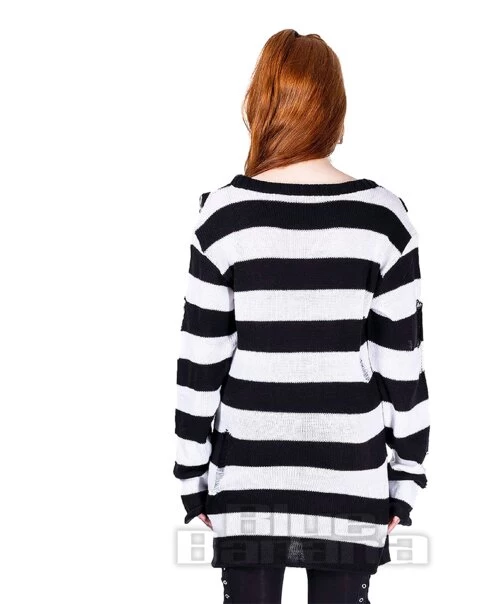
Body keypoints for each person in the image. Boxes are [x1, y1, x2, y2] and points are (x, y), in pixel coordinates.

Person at [173, 29, 430, 604]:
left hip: (247, 480)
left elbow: (200, 365)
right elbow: (402, 367)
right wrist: (407, 476)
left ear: (260, 104)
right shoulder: (384, 220)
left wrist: (191, 475)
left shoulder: (224, 217)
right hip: (351, 479)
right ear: (335, 108)